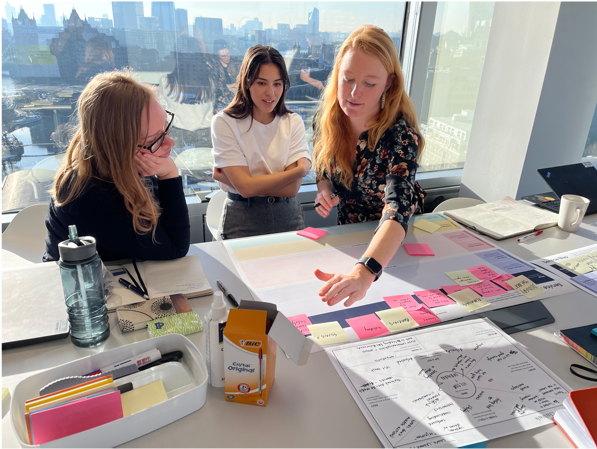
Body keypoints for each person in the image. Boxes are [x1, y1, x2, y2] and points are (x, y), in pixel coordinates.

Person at [312, 25, 427, 307]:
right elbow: (324, 166)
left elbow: (398, 209)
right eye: (347, 78)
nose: (354, 92)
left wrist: (365, 273)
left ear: (388, 83)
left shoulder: (400, 136)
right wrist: (324, 189)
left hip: (390, 247)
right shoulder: (328, 120)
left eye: (369, 83)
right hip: (349, 237)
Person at [44, 70, 190, 262]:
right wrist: (169, 173)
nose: (170, 143)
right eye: (154, 139)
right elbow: (176, 248)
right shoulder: (91, 195)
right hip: (83, 287)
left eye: (166, 128)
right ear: (118, 147)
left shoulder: (127, 166)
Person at [211, 45, 311, 240]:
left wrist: (243, 181)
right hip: (242, 217)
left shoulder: (292, 121)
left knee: (292, 271)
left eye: (277, 84)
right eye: (262, 83)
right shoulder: (225, 122)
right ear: (247, 82)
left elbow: (292, 189)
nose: (271, 93)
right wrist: (298, 171)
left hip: (288, 215)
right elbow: (246, 189)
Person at [213, 39, 239, 111]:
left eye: (228, 54)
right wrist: (231, 86)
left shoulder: (236, 63)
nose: (226, 57)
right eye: (223, 56)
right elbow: (213, 85)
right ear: (217, 55)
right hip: (221, 100)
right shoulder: (213, 66)